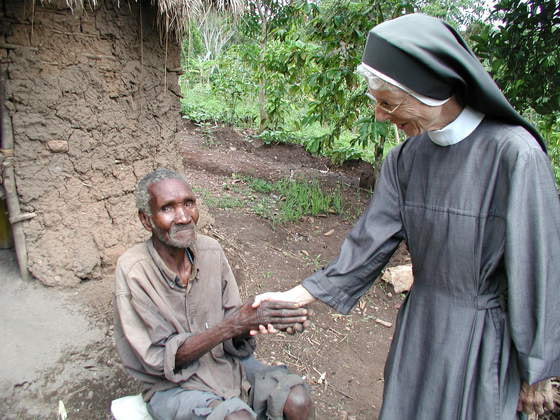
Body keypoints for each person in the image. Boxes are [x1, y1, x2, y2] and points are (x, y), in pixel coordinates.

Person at [252, 13, 560, 420]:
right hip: (421, 328)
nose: (380, 116)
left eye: (388, 102)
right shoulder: (406, 159)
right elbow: (368, 244)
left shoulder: (514, 155)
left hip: (484, 339)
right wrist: (296, 294)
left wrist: (538, 371)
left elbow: (539, 269)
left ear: (431, 91)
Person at [114, 168, 314, 420]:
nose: (184, 217)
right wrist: (234, 324)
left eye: (189, 203)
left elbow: (234, 326)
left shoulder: (210, 251)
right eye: (168, 208)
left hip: (224, 364)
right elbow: (160, 360)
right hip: (173, 386)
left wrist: (267, 318)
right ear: (146, 220)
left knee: (297, 400)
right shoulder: (134, 270)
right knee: (236, 418)